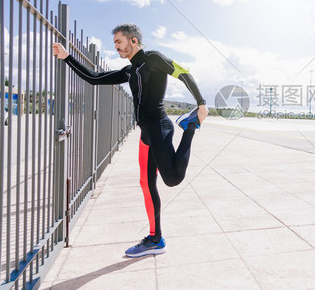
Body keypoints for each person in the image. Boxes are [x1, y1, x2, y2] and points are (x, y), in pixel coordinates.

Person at [53, 23, 208, 258]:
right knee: (146, 184)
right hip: (145, 134)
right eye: (115, 43)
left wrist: (201, 103)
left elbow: (183, 72)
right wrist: (66, 57)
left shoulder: (153, 59)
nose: (116, 47)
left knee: (173, 179)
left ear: (133, 40)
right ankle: (155, 239)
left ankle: (189, 127)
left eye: (118, 42)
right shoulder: (129, 71)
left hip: (159, 127)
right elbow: (94, 78)